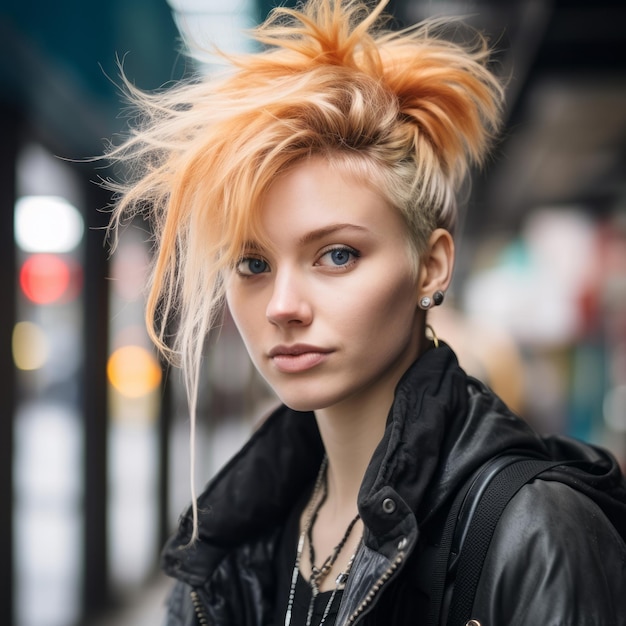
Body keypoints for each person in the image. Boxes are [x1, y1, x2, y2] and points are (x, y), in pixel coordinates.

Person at [105, 1, 626, 624]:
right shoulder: (236, 539)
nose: (283, 307)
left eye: (337, 254)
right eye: (252, 264)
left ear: (430, 266)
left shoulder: (533, 530)